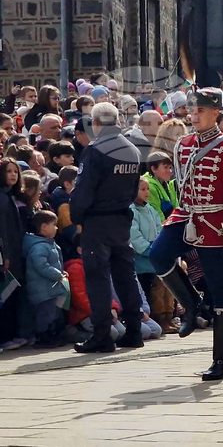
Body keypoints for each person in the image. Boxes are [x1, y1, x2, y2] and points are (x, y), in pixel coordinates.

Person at [148, 88, 223, 381]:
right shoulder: (183, 144)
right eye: (192, 110)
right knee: (158, 255)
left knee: (220, 291)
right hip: (187, 214)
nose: (194, 115)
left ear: (216, 113)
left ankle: (221, 361)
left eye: (201, 111)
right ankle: (192, 302)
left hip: (217, 222)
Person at [70, 102, 144, 354]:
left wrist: (77, 218)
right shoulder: (133, 150)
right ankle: (134, 329)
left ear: (96, 123)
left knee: (98, 276)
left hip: (97, 220)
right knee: (126, 274)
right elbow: (135, 188)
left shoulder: (96, 150)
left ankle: (102, 334)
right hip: (121, 219)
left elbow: (83, 190)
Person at [23, 210, 67, 348]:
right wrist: (57, 274)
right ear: (43, 227)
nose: (57, 228)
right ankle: (42, 336)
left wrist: (61, 272)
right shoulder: (39, 246)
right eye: (54, 225)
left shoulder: (49, 244)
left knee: (51, 313)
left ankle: (50, 334)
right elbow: (41, 266)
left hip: (50, 288)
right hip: (42, 289)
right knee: (45, 314)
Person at [143, 152, 178, 223]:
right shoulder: (149, 187)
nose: (170, 171)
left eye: (170, 167)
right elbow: (158, 216)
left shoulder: (168, 184)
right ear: (153, 169)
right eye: (165, 167)